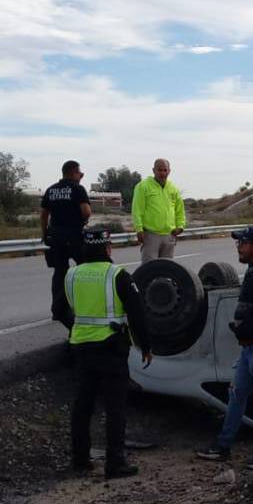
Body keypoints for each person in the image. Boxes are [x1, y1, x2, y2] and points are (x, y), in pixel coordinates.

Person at [195, 226, 253, 470]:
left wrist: (249, 325)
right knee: (236, 395)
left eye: (243, 243)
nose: (238, 247)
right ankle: (223, 446)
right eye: (238, 243)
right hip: (251, 348)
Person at [65, 226, 152, 479]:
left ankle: (80, 459)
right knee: (115, 407)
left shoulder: (71, 275)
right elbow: (137, 314)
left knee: (83, 404)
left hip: (81, 347)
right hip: (111, 348)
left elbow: (64, 307)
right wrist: (145, 346)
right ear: (108, 248)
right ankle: (115, 463)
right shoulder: (118, 275)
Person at [41, 160, 92, 327]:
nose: (81, 176)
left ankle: (57, 310)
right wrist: (83, 221)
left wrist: (45, 232)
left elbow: (43, 214)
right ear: (73, 173)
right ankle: (87, 305)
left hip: (56, 237)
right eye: (80, 173)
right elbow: (86, 211)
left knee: (59, 273)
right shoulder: (78, 189)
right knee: (85, 269)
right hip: (75, 236)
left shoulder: (51, 190)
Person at [132, 158, 186, 263]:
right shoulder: (143, 186)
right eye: (159, 170)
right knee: (149, 269)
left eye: (165, 170)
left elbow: (179, 209)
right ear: (154, 170)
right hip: (151, 235)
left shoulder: (173, 188)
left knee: (166, 269)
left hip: (169, 235)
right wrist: (139, 229)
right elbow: (137, 209)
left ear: (169, 171)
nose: (162, 173)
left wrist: (180, 226)